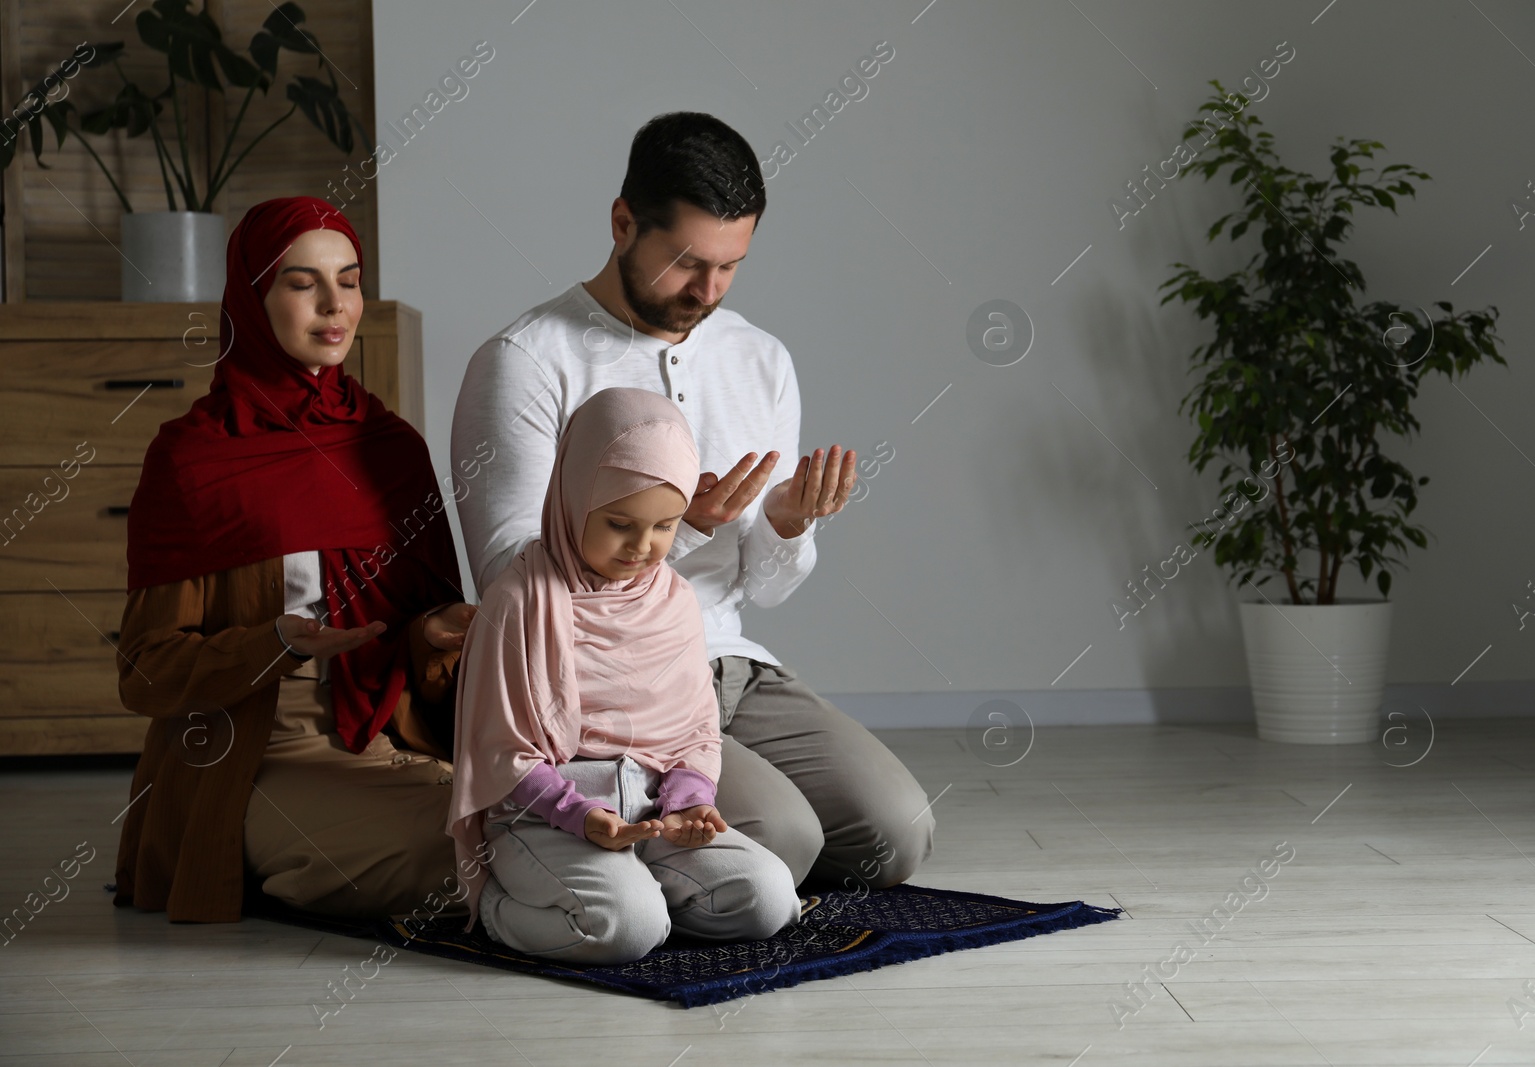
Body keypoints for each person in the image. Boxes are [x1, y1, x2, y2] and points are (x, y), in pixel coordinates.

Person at [451, 111, 933, 893]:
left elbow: (767, 589)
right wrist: (678, 530)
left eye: (730, 266)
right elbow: (508, 575)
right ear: (622, 223)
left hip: (729, 659)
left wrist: (783, 525)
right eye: (685, 262)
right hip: (605, 683)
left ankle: (707, 868)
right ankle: (644, 859)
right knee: (785, 834)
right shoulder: (527, 360)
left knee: (899, 832)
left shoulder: (759, 359)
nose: (707, 291)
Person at [114, 196, 477, 923]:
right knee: (453, 853)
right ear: (252, 296)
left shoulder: (391, 449)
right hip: (253, 755)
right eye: (302, 282)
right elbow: (146, 668)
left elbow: (413, 649)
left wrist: (433, 631)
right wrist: (274, 642)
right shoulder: (192, 457)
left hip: (386, 738)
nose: (335, 304)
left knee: (527, 820)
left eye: (349, 279)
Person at [449, 387, 800, 964]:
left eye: (666, 525)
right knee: (623, 931)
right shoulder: (519, 598)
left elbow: (694, 731)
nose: (644, 547)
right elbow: (501, 751)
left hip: (652, 811)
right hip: (545, 815)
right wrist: (580, 816)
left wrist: (687, 803)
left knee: (769, 901)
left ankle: (643, 897)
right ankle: (496, 908)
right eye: (619, 523)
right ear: (573, 495)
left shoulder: (675, 599)